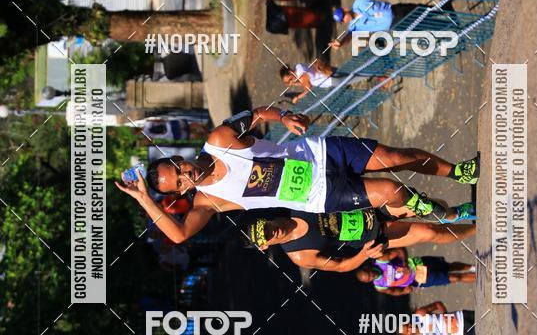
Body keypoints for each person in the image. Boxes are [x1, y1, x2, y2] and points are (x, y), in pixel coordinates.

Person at [116, 106, 479, 243]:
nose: (185, 178)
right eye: (178, 184)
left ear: (178, 159)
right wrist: (145, 199)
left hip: (320, 152)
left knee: (395, 157)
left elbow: (256, 115)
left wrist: (283, 117)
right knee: (390, 191)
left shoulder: (218, 140)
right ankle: (445, 212)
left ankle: (459, 172)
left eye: (178, 170)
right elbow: (178, 235)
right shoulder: (209, 201)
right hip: (318, 195)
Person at [244, 208, 476, 273]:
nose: (270, 232)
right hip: (371, 237)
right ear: (265, 246)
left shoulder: (294, 207)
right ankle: (477, 229)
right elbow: (341, 266)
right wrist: (364, 254)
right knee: (428, 232)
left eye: (265, 228)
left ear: (267, 220)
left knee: (423, 204)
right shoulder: (299, 255)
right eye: (264, 237)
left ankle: (457, 213)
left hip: (368, 205)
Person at [330, 0, 451, 49]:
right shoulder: (354, 27)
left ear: (345, 9)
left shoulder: (358, 3)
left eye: (343, 16)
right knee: (421, 25)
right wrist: (340, 43)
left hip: (395, 9)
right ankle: (448, 27)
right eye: (342, 20)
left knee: (420, 9)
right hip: (394, 24)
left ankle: (444, 11)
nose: (345, 20)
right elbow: (348, 37)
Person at [355, 248, 476, 294]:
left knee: (449, 267)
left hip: (419, 264)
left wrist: (404, 264)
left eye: (369, 273)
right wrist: (404, 291)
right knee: (454, 278)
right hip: (419, 280)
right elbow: (393, 291)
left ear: (368, 268)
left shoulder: (381, 261)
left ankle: (473, 267)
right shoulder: (379, 286)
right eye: (369, 278)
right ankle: (480, 277)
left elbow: (399, 250)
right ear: (368, 282)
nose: (372, 276)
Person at [279, 61, 388, 103]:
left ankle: (380, 74)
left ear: (290, 72)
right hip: (328, 71)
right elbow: (307, 79)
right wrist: (294, 83)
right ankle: (376, 71)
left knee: (355, 78)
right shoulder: (298, 66)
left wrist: (297, 97)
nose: (290, 81)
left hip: (331, 80)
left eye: (289, 79)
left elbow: (307, 88)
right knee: (352, 72)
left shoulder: (301, 77)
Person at [398, 300, 475, 335]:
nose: (410, 328)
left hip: (462, 316)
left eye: (407, 325)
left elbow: (438, 304)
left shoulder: (420, 313)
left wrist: (445, 315)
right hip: (462, 334)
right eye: (407, 331)